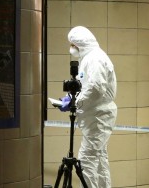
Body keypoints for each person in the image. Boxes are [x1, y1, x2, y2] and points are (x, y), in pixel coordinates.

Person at [58, 26, 117, 188]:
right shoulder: (90, 58)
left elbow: (96, 89)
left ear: (79, 44)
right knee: (99, 157)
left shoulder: (95, 59)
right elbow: (86, 87)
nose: (71, 48)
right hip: (96, 116)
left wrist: (75, 102)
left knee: (87, 159)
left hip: (98, 117)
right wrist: (70, 98)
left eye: (72, 44)